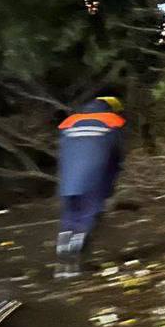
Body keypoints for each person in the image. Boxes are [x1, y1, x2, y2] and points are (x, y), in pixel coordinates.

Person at [55, 94, 126, 277]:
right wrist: (110, 183)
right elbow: (116, 156)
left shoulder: (69, 123)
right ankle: (77, 259)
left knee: (71, 215)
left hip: (69, 179)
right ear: (112, 108)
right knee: (88, 216)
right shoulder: (112, 122)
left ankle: (62, 257)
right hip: (94, 176)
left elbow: (64, 152)